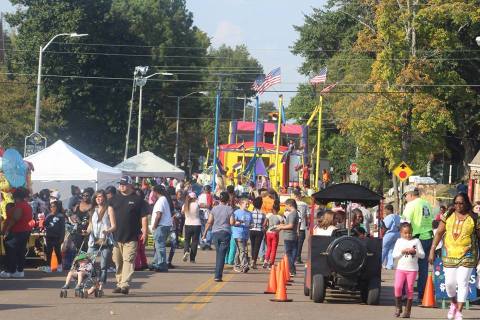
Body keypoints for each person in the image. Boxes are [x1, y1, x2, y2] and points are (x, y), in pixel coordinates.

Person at [428, 193, 480, 320]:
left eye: (461, 203)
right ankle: (454, 303)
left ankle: (459, 312)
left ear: (466, 203)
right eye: (456, 203)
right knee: (449, 283)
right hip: (449, 255)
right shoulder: (448, 215)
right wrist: (432, 250)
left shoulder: (474, 218)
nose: (458, 205)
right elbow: (439, 233)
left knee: (463, 282)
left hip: (468, 255)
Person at [108, 176, 148, 294]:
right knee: (118, 261)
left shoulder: (138, 200)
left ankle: (125, 284)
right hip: (116, 237)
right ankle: (119, 283)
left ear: (130, 185)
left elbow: (144, 217)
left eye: (124, 184)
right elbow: (108, 213)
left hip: (132, 236)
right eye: (120, 184)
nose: (121, 186)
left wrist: (145, 232)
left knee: (128, 260)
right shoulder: (114, 199)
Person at [401, 185, 433, 303]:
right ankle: (422, 294)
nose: (405, 199)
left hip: (415, 238)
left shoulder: (411, 205)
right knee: (423, 267)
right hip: (428, 237)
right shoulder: (426, 203)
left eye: (405, 196)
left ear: (410, 195)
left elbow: (404, 222)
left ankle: (405, 293)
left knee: (407, 265)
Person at [392, 222, 425, 318]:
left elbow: (422, 255)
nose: (408, 235)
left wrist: (415, 252)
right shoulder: (399, 241)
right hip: (401, 269)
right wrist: (402, 252)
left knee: (410, 289)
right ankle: (398, 307)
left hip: (412, 269)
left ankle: (408, 311)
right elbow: (394, 255)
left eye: (410, 232)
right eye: (405, 233)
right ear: (401, 233)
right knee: (397, 287)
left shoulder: (416, 241)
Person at [0, 187, 33, 278]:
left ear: (16, 196)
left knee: (11, 251)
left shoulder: (20, 206)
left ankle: (10, 271)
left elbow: (15, 218)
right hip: (25, 231)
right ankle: (19, 271)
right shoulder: (27, 205)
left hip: (17, 232)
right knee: (20, 251)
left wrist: (7, 230)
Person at [87, 190, 116, 291]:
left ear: (104, 198)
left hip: (105, 240)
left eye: (100, 196)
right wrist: (86, 232)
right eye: (96, 197)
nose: (98, 199)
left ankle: (100, 286)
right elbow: (90, 226)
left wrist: (107, 231)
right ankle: (94, 284)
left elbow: (114, 226)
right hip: (93, 240)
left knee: (103, 266)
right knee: (88, 262)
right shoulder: (93, 210)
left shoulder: (109, 209)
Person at [202, 191, 234, 282]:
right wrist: (236, 222)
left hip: (215, 234)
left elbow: (209, 222)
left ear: (219, 199)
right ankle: (218, 275)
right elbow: (232, 222)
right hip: (225, 233)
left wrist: (204, 233)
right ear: (228, 199)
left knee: (219, 253)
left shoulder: (214, 209)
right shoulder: (229, 209)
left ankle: (217, 273)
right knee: (221, 255)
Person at [150, 185, 174, 272]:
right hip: (165, 225)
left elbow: (158, 215)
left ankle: (162, 264)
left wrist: (154, 226)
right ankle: (156, 263)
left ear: (156, 192)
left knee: (159, 246)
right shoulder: (164, 199)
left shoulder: (161, 201)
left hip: (161, 226)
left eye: (153, 192)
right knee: (158, 245)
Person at [40, 199, 65, 273]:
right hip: (49, 236)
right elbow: (44, 224)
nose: (53, 208)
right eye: (51, 207)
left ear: (57, 207)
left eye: (54, 206)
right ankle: (48, 267)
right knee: (49, 251)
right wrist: (45, 219)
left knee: (57, 251)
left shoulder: (61, 216)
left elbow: (62, 228)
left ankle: (60, 265)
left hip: (57, 237)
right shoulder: (48, 215)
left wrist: (62, 237)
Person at [277, 198, 299, 276]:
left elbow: (291, 225)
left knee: (289, 253)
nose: (285, 207)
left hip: (289, 236)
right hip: (292, 235)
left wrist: (281, 227)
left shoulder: (293, 214)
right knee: (292, 253)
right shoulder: (294, 213)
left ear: (290, 205)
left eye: (286, 205)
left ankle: (292, 269)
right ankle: (292, 269)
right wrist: (282, 225)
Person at [232, 197, 252, 273]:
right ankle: (245, 265)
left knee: (239, 250)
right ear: (241, 204)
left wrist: (251, 225)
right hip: (238, 233)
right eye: (246, 204)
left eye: (248, 204)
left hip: (246, 234)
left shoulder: (249, 213)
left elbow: (251, 223)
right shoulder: (236, 212)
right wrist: (237, 223)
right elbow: (232, 222)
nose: (247, 205)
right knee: (242, 250)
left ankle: (236, 265)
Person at [182, 192, 201, 263]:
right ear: (194, 198)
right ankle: (192, 259)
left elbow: (182, 212)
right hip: (197, 224)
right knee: (195, 242)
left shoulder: (185, 205)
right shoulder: (197, 204)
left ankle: (186, 251)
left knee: (187, 240)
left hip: (187, 224)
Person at [263, 200, 282, 268]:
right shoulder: (280, 217)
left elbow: (264, 224)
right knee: (274, 249)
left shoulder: (268, 215)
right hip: (275, 234)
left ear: (272, 209)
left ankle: (265, 261)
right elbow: (282, 226)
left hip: (268, 233)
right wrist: (278, 230)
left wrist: (266, 229)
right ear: (278, 209)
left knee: (269, 248)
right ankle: (271, 263)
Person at [382, 204, 401, 270]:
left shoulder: (389, 217)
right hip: (397, 234)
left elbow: (386, 227)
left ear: (388, 210)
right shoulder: (398, 216)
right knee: (391, 250)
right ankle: (389, 265)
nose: (385, 212)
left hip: (389, 234)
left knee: (383, 249)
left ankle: (380, 263)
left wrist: (382, 234)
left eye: (385, 210)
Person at [249, 196, 265, 269]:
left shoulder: (251, 213)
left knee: (252, 246)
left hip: (252, 230)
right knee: (257, 247)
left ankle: (252, 259)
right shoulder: (263, 214)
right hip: (259, 231)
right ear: (261, 204)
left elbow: (249, 222)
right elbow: (264, 224)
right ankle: (254, 261)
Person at [294, 190, 309, 264]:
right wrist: (308, 224)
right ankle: (298, 258)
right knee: (300, 243)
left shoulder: (292, 204)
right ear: (300, 196)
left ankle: (293, 257)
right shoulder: (305, 204)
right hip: (302, 227)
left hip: (293, 226)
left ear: (295, 196)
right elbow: (307, 216)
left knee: (294, 243)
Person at [198, 185, 213, 250]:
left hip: (200, 213)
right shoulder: (209, 196)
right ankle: (207, 244)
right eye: (210, 189)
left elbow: (199, 204)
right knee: (209, 229)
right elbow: (209, 205)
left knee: (202, 229)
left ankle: (202, 243)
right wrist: (206, 205)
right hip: (207, 214)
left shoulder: (200, 196)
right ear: (208, 190)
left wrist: (202, 205)